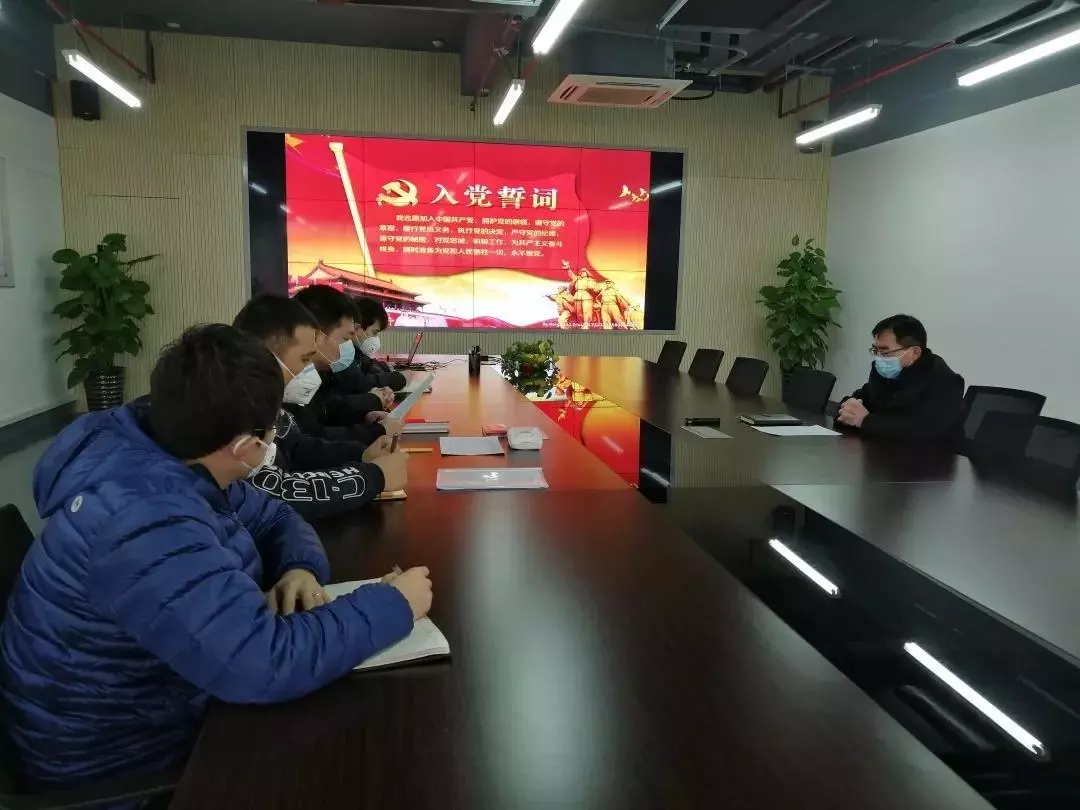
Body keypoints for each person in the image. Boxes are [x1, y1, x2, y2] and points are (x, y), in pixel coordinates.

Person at [0, 324, 433, 790]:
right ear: (245, 447)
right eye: (270, 432)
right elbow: (262, 663)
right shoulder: (142, 520)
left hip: (170, 701)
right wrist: (393, 605)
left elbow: (274, 515)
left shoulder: (170, 450)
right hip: (119, 767)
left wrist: (299, 566)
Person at [233, 294, 408, 517]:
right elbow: (268, 495)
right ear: (267, 356)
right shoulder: (233, 414)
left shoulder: (266, 406)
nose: (309, 369)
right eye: (305, 359)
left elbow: (296, 447)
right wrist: (373, 477)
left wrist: (363, 455)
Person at [289, 285, 397, 442]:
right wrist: (374, 432)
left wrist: (364, 418)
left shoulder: (317, 374)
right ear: (317, 335)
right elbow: (307, 442)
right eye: (346, 339)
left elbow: (323, 415)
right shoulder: (289, 381)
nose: (348, 346)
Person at [835, 314, 965, 442]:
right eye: (875, 350)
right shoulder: (882, 369)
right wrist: (847, 410)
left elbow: (925, 430)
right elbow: (863, 397)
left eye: (885, 352)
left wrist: (866, 421)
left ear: (914, 352)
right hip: (882, 449)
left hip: (933, 453)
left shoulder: (945, 380)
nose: (878, 358)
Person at [333, 296, 407, 394]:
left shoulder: (354, 351)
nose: (376, 339)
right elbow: (358, 382)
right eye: (374, 332)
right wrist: (393, 379)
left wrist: (384, 367)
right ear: (357, 327)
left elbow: (366, 363)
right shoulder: (339, 353)